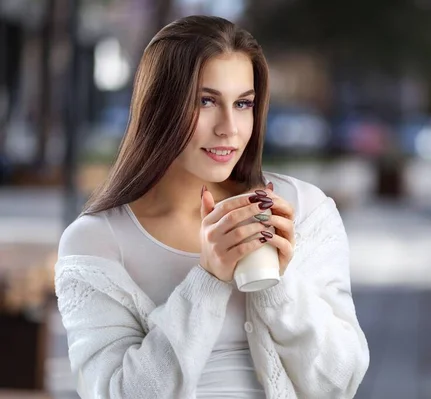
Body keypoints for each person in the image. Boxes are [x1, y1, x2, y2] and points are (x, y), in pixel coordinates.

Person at [54, 15, 369, 399]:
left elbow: (340, 383)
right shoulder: (95, 243)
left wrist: (278, 285)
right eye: (206, 101)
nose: (229, 128)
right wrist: (208, 279)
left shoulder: (301, 210)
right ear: (160, 105)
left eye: (242, 103)